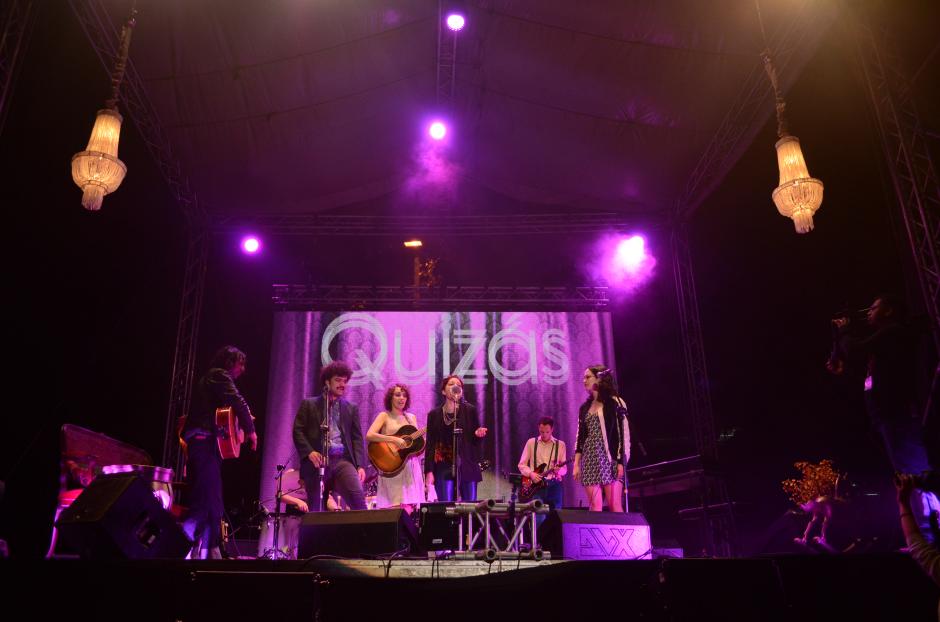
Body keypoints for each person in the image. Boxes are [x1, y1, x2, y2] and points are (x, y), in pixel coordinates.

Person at [829, 295, 939, 540]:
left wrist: (845, 330)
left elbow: (856, 350)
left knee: (915, 476)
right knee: (907, 475)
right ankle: (926, 535)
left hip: (898, 415)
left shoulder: (893, 333)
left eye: (875, 307)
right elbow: (868, 380)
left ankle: (930, 538)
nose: (868, 311)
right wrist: (842, 363)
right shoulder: (882, 342)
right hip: (887, 417)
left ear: (889, 311)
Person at [181, 346, 258, 559]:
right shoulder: (218, 375)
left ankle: (211, 552)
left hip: (207, 443)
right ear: (228, 362)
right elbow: (238, 401)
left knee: (212, 502)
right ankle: (180, 549)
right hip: (203, 441)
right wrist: (251, 432)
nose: (242, 369)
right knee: (204, 501)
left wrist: (240, 425)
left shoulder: (213, 383)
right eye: (240, 363)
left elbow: (225, 414)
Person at [292, 361, 367, 511]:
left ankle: (364, 533)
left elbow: (357, 438)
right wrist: (309, 452)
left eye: (345, 381)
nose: (342, 384)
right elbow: (297, 431)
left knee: (358, 499)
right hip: (317, 462)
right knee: (316, 509)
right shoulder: (309, 404)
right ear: (327, 381)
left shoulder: (351, 408)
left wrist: (359, 465)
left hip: (342, 460)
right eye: (338, 380)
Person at [572, 365, 630, 512]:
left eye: (588, 377)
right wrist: (577, 464)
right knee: (595, 506)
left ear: (599, 378)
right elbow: (580, 438)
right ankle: (595, 535)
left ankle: (620, 534)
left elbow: (623, 434)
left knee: (614, 505)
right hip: (590, 459)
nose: (584, 380)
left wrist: (621, 461)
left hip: (610, 459)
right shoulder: (584, 407)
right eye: (584, 377)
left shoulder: (615, 403)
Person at [424, 375, 488, 502]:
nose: (455, 387)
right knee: (446, 507)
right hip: (443, 465)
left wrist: (477, 434)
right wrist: (429, 471)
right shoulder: (434, 414)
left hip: (467, 463)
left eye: (459, 385)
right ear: (443, 391)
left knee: (470, 507)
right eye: (451, 384)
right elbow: (430, 445)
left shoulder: (470, 410)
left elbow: (474, 441)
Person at [366, 384, 425, 512]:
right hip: (392, 464)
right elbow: (370, 435)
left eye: (404, 395)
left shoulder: (411, 418)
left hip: (409, 465)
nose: (401, 398)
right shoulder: (384, 416)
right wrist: (394, 439)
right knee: (394, 506)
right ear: (390, 398)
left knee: (410, 507)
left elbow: (415, 445)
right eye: (398, 395)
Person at [517, 416, 567, 525]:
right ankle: (539, 541)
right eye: (541, 431)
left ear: (552, 430)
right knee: (539, 517)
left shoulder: (561, 445)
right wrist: (531, 474)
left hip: (554, 485)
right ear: (538, 429)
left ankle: (553, 542)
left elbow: (564, 470)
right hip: (537, 486)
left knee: (556, 516)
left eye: (547, 432)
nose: (544, 434)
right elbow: (521, 465)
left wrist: (558, 470)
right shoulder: (531, 442)